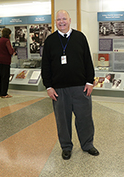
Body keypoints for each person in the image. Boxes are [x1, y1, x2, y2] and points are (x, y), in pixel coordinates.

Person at [41, 10, 99, 160]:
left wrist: (89, 81)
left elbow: (88, 60)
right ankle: (66, 147)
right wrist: (48, 86)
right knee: (62, 120)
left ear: (70, 20)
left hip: (81, 88)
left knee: (85, 118)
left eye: (64, 19)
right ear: (55, 22)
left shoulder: (80, 37)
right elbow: (45, 66)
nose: (61, 22)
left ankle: (87, 145)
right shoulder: (50, 41)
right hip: (59, 90)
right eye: (58, 19)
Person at [0, 28, 15, 98]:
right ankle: (4, 93)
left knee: (1, 77)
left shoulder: (0, 40)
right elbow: (10, 51)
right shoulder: (7, 41)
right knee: (6, 77)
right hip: (5, 60)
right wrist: (14, 51)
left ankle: (0, 92)